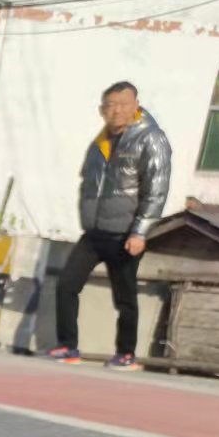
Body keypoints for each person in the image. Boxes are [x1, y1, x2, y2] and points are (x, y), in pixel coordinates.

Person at [46, 81, 170, 371]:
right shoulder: (99, 142)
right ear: (102, 110)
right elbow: (88, 185)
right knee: (66, 285)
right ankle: (68, 346)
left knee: (124, 296)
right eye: (110, 105)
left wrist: (140, 231)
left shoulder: (151, 139)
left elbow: (156, 190)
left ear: (135, 105)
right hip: (94, 232)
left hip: (126, 234)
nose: (116, 110)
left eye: (123, 104)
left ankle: (126, 354)